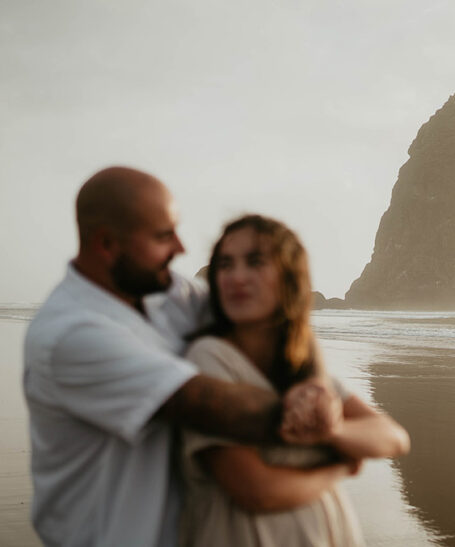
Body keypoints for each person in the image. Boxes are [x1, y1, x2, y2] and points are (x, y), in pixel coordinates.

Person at [22, 167, 348, 547]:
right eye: (163, 236)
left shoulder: (170, 295)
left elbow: (279, 315)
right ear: (107, 244)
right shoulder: (71, 334)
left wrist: (318, 386)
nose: (180, 247)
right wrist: (337, 433)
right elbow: (218, 409)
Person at [178, 214, 409, 546]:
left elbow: (394, 437)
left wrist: (333, 430)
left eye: (255, 262)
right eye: (226, 265)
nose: (236, 277)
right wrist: (338, 469)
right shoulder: (210, 358)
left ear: (289, 276)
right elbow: (255, 491)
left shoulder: (300, 365)